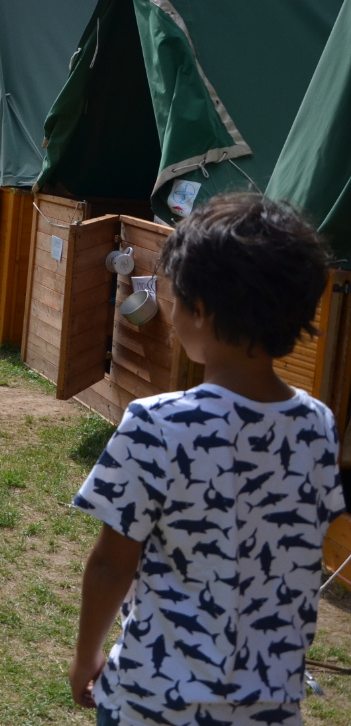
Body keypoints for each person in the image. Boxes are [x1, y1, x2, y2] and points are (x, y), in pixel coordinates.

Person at [68, 192, 343, 726]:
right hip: (268, 705)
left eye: (175, 299)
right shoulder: (318, 426)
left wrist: (85, 657)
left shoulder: (155, 423)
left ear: (201, 311)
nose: (170, 314)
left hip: (152, 700)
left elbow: (110, 564)